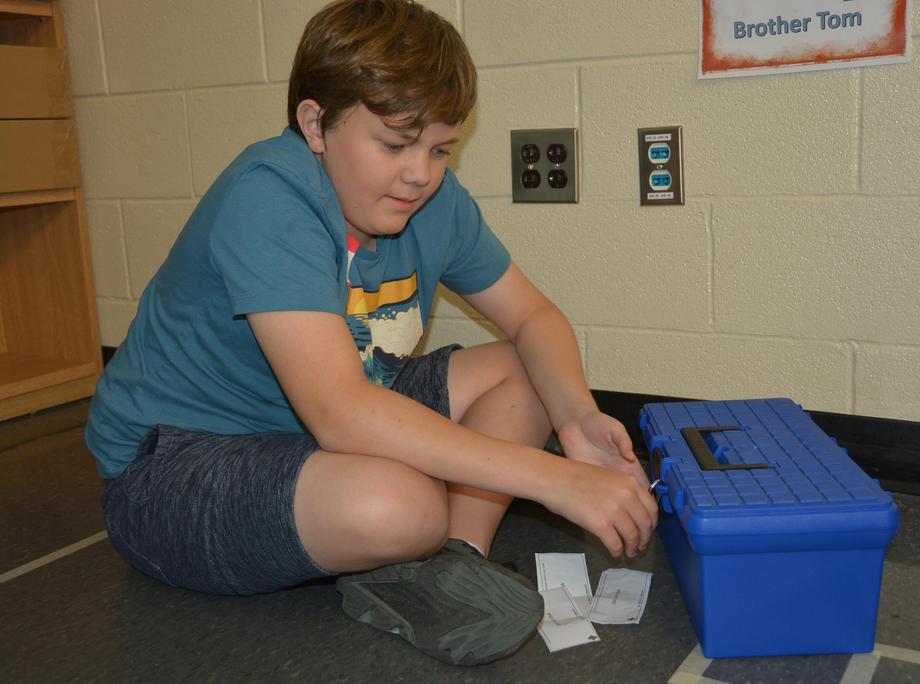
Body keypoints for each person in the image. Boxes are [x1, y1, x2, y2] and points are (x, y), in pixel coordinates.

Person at [85, 0, 657, 667]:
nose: (420, 174)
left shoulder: (435, 202)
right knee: (400, 508)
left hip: (320, 422)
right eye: (394, 144)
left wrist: (577, 419)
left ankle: (454, 564)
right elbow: (341, 414)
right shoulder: (268, 196)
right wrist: (555, 479)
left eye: (440, 149)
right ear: (316, 125)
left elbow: (534, 318)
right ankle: (418, 539)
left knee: (529, 371)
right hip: (172, 465)